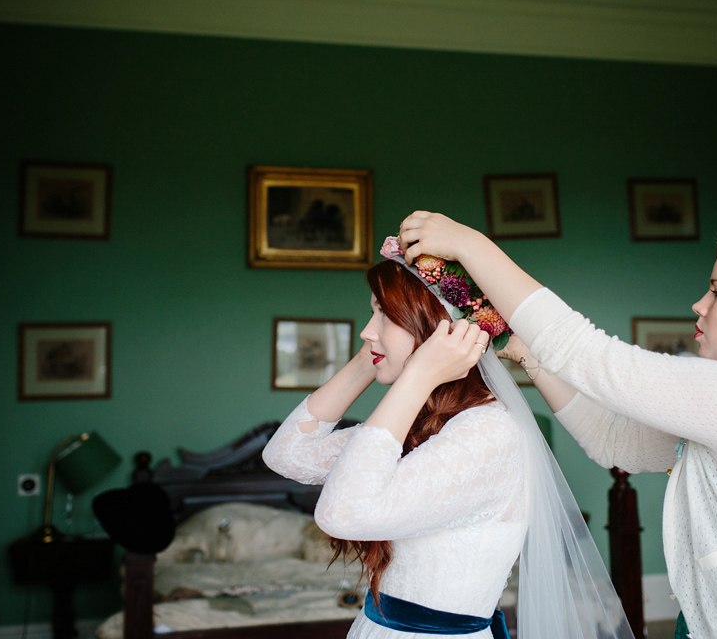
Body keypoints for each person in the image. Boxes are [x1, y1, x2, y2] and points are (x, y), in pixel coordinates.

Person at [397, 211, 717, 639]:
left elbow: (588, 352)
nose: (699, 304)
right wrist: (531, 357)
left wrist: (469, 243)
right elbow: (614, 442)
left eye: (714, 291)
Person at [263, 247, 635, 639]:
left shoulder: (488, 432)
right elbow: (286, 455)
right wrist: (365, 359)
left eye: (384, 316)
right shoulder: (427, 424)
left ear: (440, 330)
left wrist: (419, 372)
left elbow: (342, 514)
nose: (367, 330)